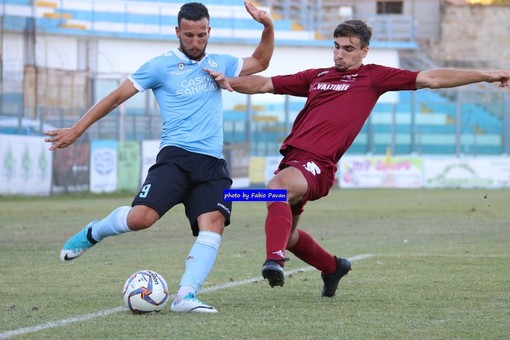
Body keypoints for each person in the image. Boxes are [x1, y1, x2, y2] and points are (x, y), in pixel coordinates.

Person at [206, 19, 510, 297]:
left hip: (318, 165)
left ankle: (274, 261)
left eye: (348, 49)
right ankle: (333, 267)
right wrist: (226, 81)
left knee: (274, 190)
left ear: (364, 51)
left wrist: (485, 75)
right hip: (294, 161)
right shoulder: (317, 77)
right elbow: (264, 83)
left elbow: (431, 78)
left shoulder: (374, 77)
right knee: (287, 232)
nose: (340, 54)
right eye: (336, 47)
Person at [44, 1, 274, 313]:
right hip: (175, 157)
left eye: (201, 35)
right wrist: (77, 129)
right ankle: (93, 232)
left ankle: (186, 296)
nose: (195, 42)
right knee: (141, 219)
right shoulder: (159, 66)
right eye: (189, 35)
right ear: (178, 32)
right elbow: (115, 98)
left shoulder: (221, 62)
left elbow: (261, 61)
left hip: (211, 163)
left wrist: (268, 26)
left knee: (214, 223)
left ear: (209, 32)